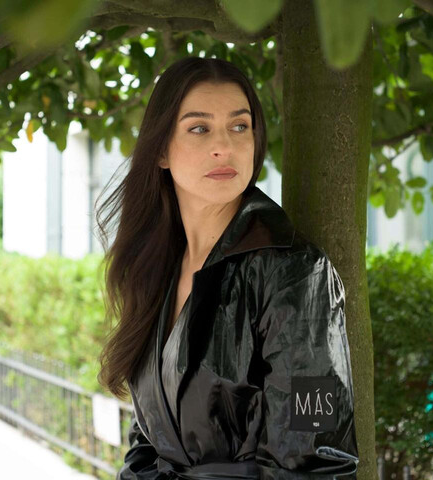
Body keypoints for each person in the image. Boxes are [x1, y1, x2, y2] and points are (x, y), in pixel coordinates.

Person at [95, 56, 359, 479]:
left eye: (239, 126)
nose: (224, 146)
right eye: (199, 128)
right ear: (160, 150)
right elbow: (149, 441)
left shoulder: (296, 273)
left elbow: (314, 456)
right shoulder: (156, 267)